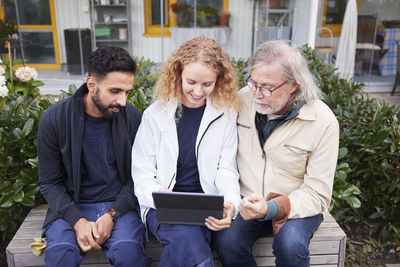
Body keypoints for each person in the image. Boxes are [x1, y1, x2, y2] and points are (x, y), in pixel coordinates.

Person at [213, 40, 340, 267]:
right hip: (247, 200)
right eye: (254, 83)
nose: (258, 94)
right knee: (227, 241)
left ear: (293, 85)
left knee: (290, 245)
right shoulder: (242, 100)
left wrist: (273, 208)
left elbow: (318, 193)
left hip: (297, 205)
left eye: (267, 87)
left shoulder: (323, 121)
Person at [131, 36, 242, 267]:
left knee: (190, 238)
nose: (198, 91)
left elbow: (226, 169)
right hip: (160, 206)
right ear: (178, 74)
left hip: (206, 205)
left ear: (218, 80)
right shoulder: (155, 114)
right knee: (189, 236)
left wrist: (231, 204)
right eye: (191, 82)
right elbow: (142, 173)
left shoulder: (225, 115)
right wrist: (159, 193)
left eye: (207, 84)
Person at [37, 47, 149, 267]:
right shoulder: (54, 119)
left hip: (119, 206)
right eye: (115, 91)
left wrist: (112, 215)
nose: (123, 101)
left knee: (129, 255)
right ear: (92, 85)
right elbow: (50, 183)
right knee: (61, 256)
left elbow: (139, 177)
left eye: (127, 92)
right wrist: (77, 221)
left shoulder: (133, 118)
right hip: (71, 206)